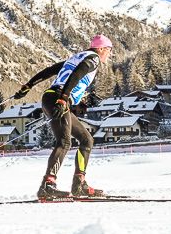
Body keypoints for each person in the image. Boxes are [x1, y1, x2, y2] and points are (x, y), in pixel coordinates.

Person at [13, 35, 114, 199]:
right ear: (101, 48)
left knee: (86, 139)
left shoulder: (77, 57)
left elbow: (50, 70)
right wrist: (64, 98)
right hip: (58, 99)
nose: (109, 54)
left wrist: (29, 85)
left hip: (53, 98)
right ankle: (47, 185)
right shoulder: (93, 59)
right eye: (109, 50)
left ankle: (79, 184)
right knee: (64, 142)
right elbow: (77, 75)